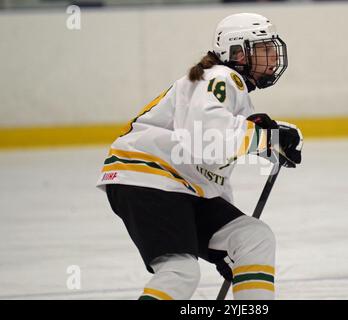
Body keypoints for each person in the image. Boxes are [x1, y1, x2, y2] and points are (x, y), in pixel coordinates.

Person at [96, 13, 303, 300]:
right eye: (263, 48)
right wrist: (267, 139)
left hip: (178, 184)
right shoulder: (221, 78)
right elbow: (210, 138)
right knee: (180, 272)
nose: (271, 56)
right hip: (150, 177)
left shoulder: (231, 91)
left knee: (252, 239)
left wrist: (267, 142)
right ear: (238, 53)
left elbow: (211, 168)